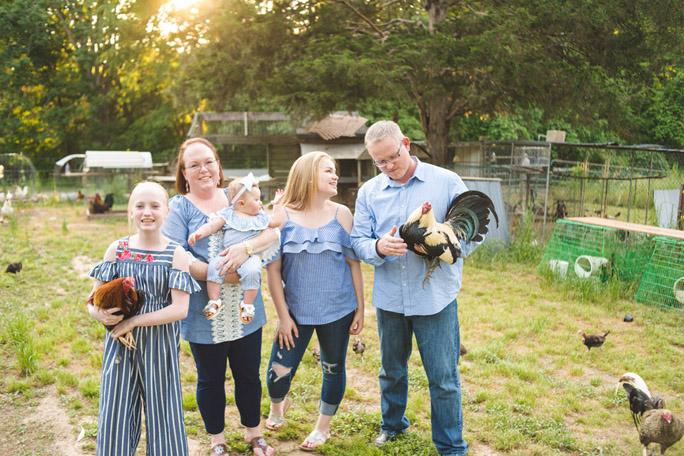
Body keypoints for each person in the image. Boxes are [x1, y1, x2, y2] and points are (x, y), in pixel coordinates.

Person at [351, 121, 481, 456]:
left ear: (406, 144)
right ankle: (392, 426)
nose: (388, 166)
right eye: (380, 162)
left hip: (435, 299)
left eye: (393, 157)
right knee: (391, 371)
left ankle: (451, 446)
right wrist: (379, 247)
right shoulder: (369, 192)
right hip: (391, 298)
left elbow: (469, 235)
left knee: (443, 378)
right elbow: (358, 242)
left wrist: (443, 249)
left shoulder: (446, 181)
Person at [162, 137, 278, 456]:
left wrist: (245, 248)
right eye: (195, 164)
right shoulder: (179, 207)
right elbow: (176, 254)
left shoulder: (237, 195)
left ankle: (254, 434)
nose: (204, 169)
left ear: (219, 166)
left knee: (248, 375)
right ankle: (217, 440)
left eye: (209, 161)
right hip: (203, 310)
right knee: (210, 379)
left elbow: (271, 231)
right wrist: (217, 272)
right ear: (183, 172)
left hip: (244, 307)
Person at [86, 181, 201, 456]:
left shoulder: (176, 254)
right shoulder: (117, 250)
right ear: (130, 211)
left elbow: (180, 309)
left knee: (164, 411)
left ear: (167, 211)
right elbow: (92, 300)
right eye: (139, 206)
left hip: (159, 345)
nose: (146, 212)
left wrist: (134, 321)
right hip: (119, 345)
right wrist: (98, 313)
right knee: (116, 408)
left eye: (154, 206)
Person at [264, 151, 364, 451]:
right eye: (328, 171)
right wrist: (283, 317)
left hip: (338, 311)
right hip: (295, 315)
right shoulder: (282, 217)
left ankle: (323, 427)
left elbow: (353, 265)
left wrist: (361, 307)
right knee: (277, 373)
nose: (335, 176)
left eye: (335, 171)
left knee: (333, 368)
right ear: (308, 176)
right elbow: (273, 272)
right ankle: (278, 405)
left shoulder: (342, 214)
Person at [188, 172, 285, 323]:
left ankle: (247, 304)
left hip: (249, 256)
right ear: (241, 203)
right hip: (227, 254)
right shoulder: (229, 214)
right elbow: (212, 226)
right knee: (214, 267)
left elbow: (276, 222)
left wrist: (277, 205)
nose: (260, 203)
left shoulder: (260, 218)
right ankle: (214, 301)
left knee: (253, 271)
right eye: (257, 199)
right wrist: (198, 233)